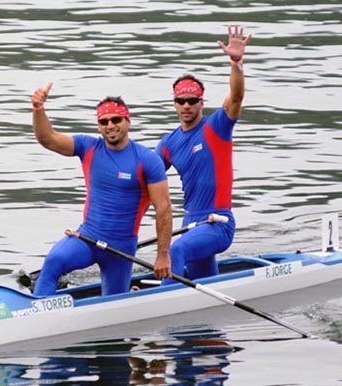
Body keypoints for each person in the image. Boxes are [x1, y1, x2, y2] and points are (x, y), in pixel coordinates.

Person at [30, 83, 172, 296]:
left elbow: (164, 209)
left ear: (128, 121)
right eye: (103, 121)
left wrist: (163, 255)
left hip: (121, 249)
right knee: (54, 261)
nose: (110, 125)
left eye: (116, 120)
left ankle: (128, 294)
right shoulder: (88, 147)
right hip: (88, 238)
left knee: (115, 303)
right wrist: (38, 109)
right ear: (98, 125)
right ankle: (37, 313)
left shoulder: (147, 160)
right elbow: (47, 139)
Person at [155, 25, 251, 282]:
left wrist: (236, 63)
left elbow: (237, 96)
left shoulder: (216, 127)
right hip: (192, 224)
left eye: (192, 101)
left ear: (201, 102)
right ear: (174, 104)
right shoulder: (168, 143)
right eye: (181, 101)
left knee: (175, 249)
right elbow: (145, 180)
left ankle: (163, 305)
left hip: (218, 223)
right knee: (202, 286)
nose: (186, 106)